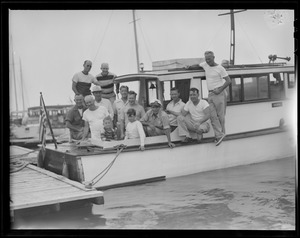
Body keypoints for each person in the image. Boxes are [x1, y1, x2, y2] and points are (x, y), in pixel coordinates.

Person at [186, 51, 231, 145]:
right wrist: (189, 67)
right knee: (212, 115)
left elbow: (228, 81)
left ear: (214, 57)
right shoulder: (205, 65)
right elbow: (197, 66)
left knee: (220, 115)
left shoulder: (220, 68)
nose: (208, 61)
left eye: (209, 59)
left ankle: (221, 134)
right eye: (206, 59)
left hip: (219, 93)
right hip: (210, 94)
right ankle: (219, 135)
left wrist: (219, 90)